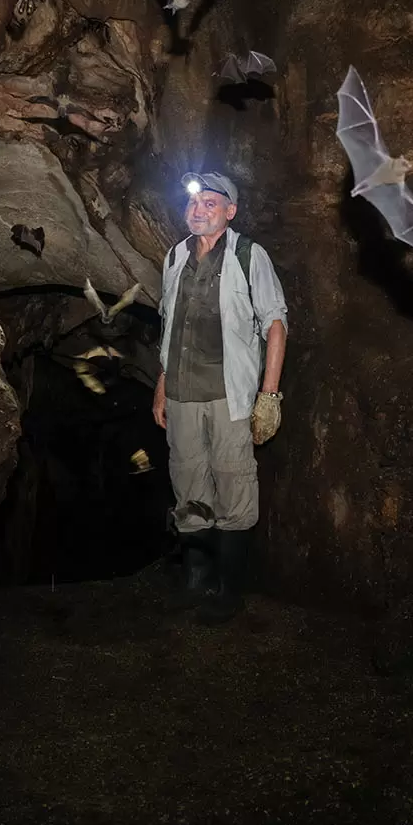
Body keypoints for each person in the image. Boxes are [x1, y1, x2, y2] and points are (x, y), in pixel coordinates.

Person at [153, 171, 288, 625]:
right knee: (188, 485)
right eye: (194, 202)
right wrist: (161, 386)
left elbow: (275, 323)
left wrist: (268, 395)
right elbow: (169, 326)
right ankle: (195, 584)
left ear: (230, 212)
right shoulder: (174, 257)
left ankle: (229, 592)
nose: (200, 209)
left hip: (231, 394)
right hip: (182, 394)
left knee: (233, 488)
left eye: (212, 203)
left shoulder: (249, 255)